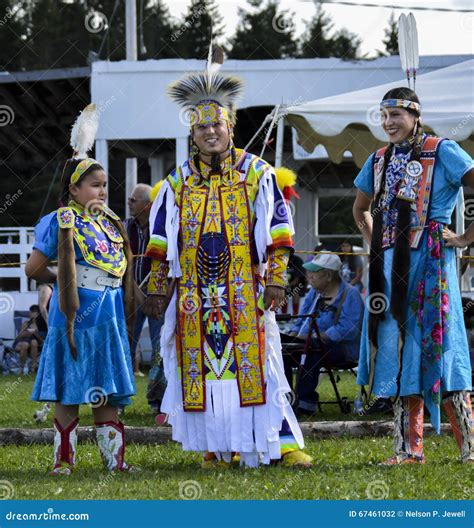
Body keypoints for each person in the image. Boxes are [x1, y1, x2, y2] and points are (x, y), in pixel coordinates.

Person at [143, 47, 311, 468]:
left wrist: (276, 277)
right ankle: (216, 448)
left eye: (216, 123)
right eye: (201, 127)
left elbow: (278, 230)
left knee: (261, 366)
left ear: (230, 125)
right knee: (204, 372)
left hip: (246, 290)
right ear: (191, 133)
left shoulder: (257, 174)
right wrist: (158, 288)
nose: (209, 132)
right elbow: (160, 240)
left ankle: (283, 444)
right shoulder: (176, 183)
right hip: (195, 298)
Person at [353, 87, 474, 464]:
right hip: (392, 267)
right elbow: (360, 209)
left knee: (443, 345)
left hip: (434, 261)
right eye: (384, 117)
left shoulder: (444, 150)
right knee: (397, 349)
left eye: (397, 116)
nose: (389, 123)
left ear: (415, 115)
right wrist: (377, 245)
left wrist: (466, 238)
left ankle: (470, 446)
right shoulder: (377, 160)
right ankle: (408, 448)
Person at [25, 104, 136, 474]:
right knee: (69, 387)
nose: (102, 191)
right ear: (73, 188)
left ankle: (113, 462)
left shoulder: (109, 224)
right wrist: (64, 279)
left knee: (103, 387)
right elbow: (33, 267)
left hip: (109, 311)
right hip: (72, 314)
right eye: (94, 184)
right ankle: (64, 460)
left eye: (104, 185)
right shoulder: (58, 220)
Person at [287, 254, 363, 414]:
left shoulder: (350, 294)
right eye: (309, 272)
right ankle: (285, 399)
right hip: (308, 343)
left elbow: (349, 329)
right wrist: (292, 336)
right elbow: (300, 321)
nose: (309, 276)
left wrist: (315, 338)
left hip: (343, 350)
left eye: (314, 272)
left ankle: (305, 403)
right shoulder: (313, 294)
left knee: (313, 349)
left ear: (328, 275)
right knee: (283, 349)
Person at [124, 183, 167, 415]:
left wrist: (157, 296)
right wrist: (137, 294)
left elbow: (171, 264)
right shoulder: (124, 227)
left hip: (159, 298)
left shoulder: (162, 228)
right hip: (131, 296)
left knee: (161, 349)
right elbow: (119, 264)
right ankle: (118, 398)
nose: (129, 202)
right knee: (124, 347)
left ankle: (157, 399)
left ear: (148, 205)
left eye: (134, 199)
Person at [13, 304, 46, 374]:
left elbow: (42, 341)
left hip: (35, 344)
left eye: (35, 312)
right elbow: (19, 337)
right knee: (25, 344)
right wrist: (27, 332)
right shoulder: (26, 323)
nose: (33, 314)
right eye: (32, 312)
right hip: (24, 341)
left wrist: (36, 333)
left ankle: (33, 367)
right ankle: (21, 368)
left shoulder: (41, 325)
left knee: (34, 342)